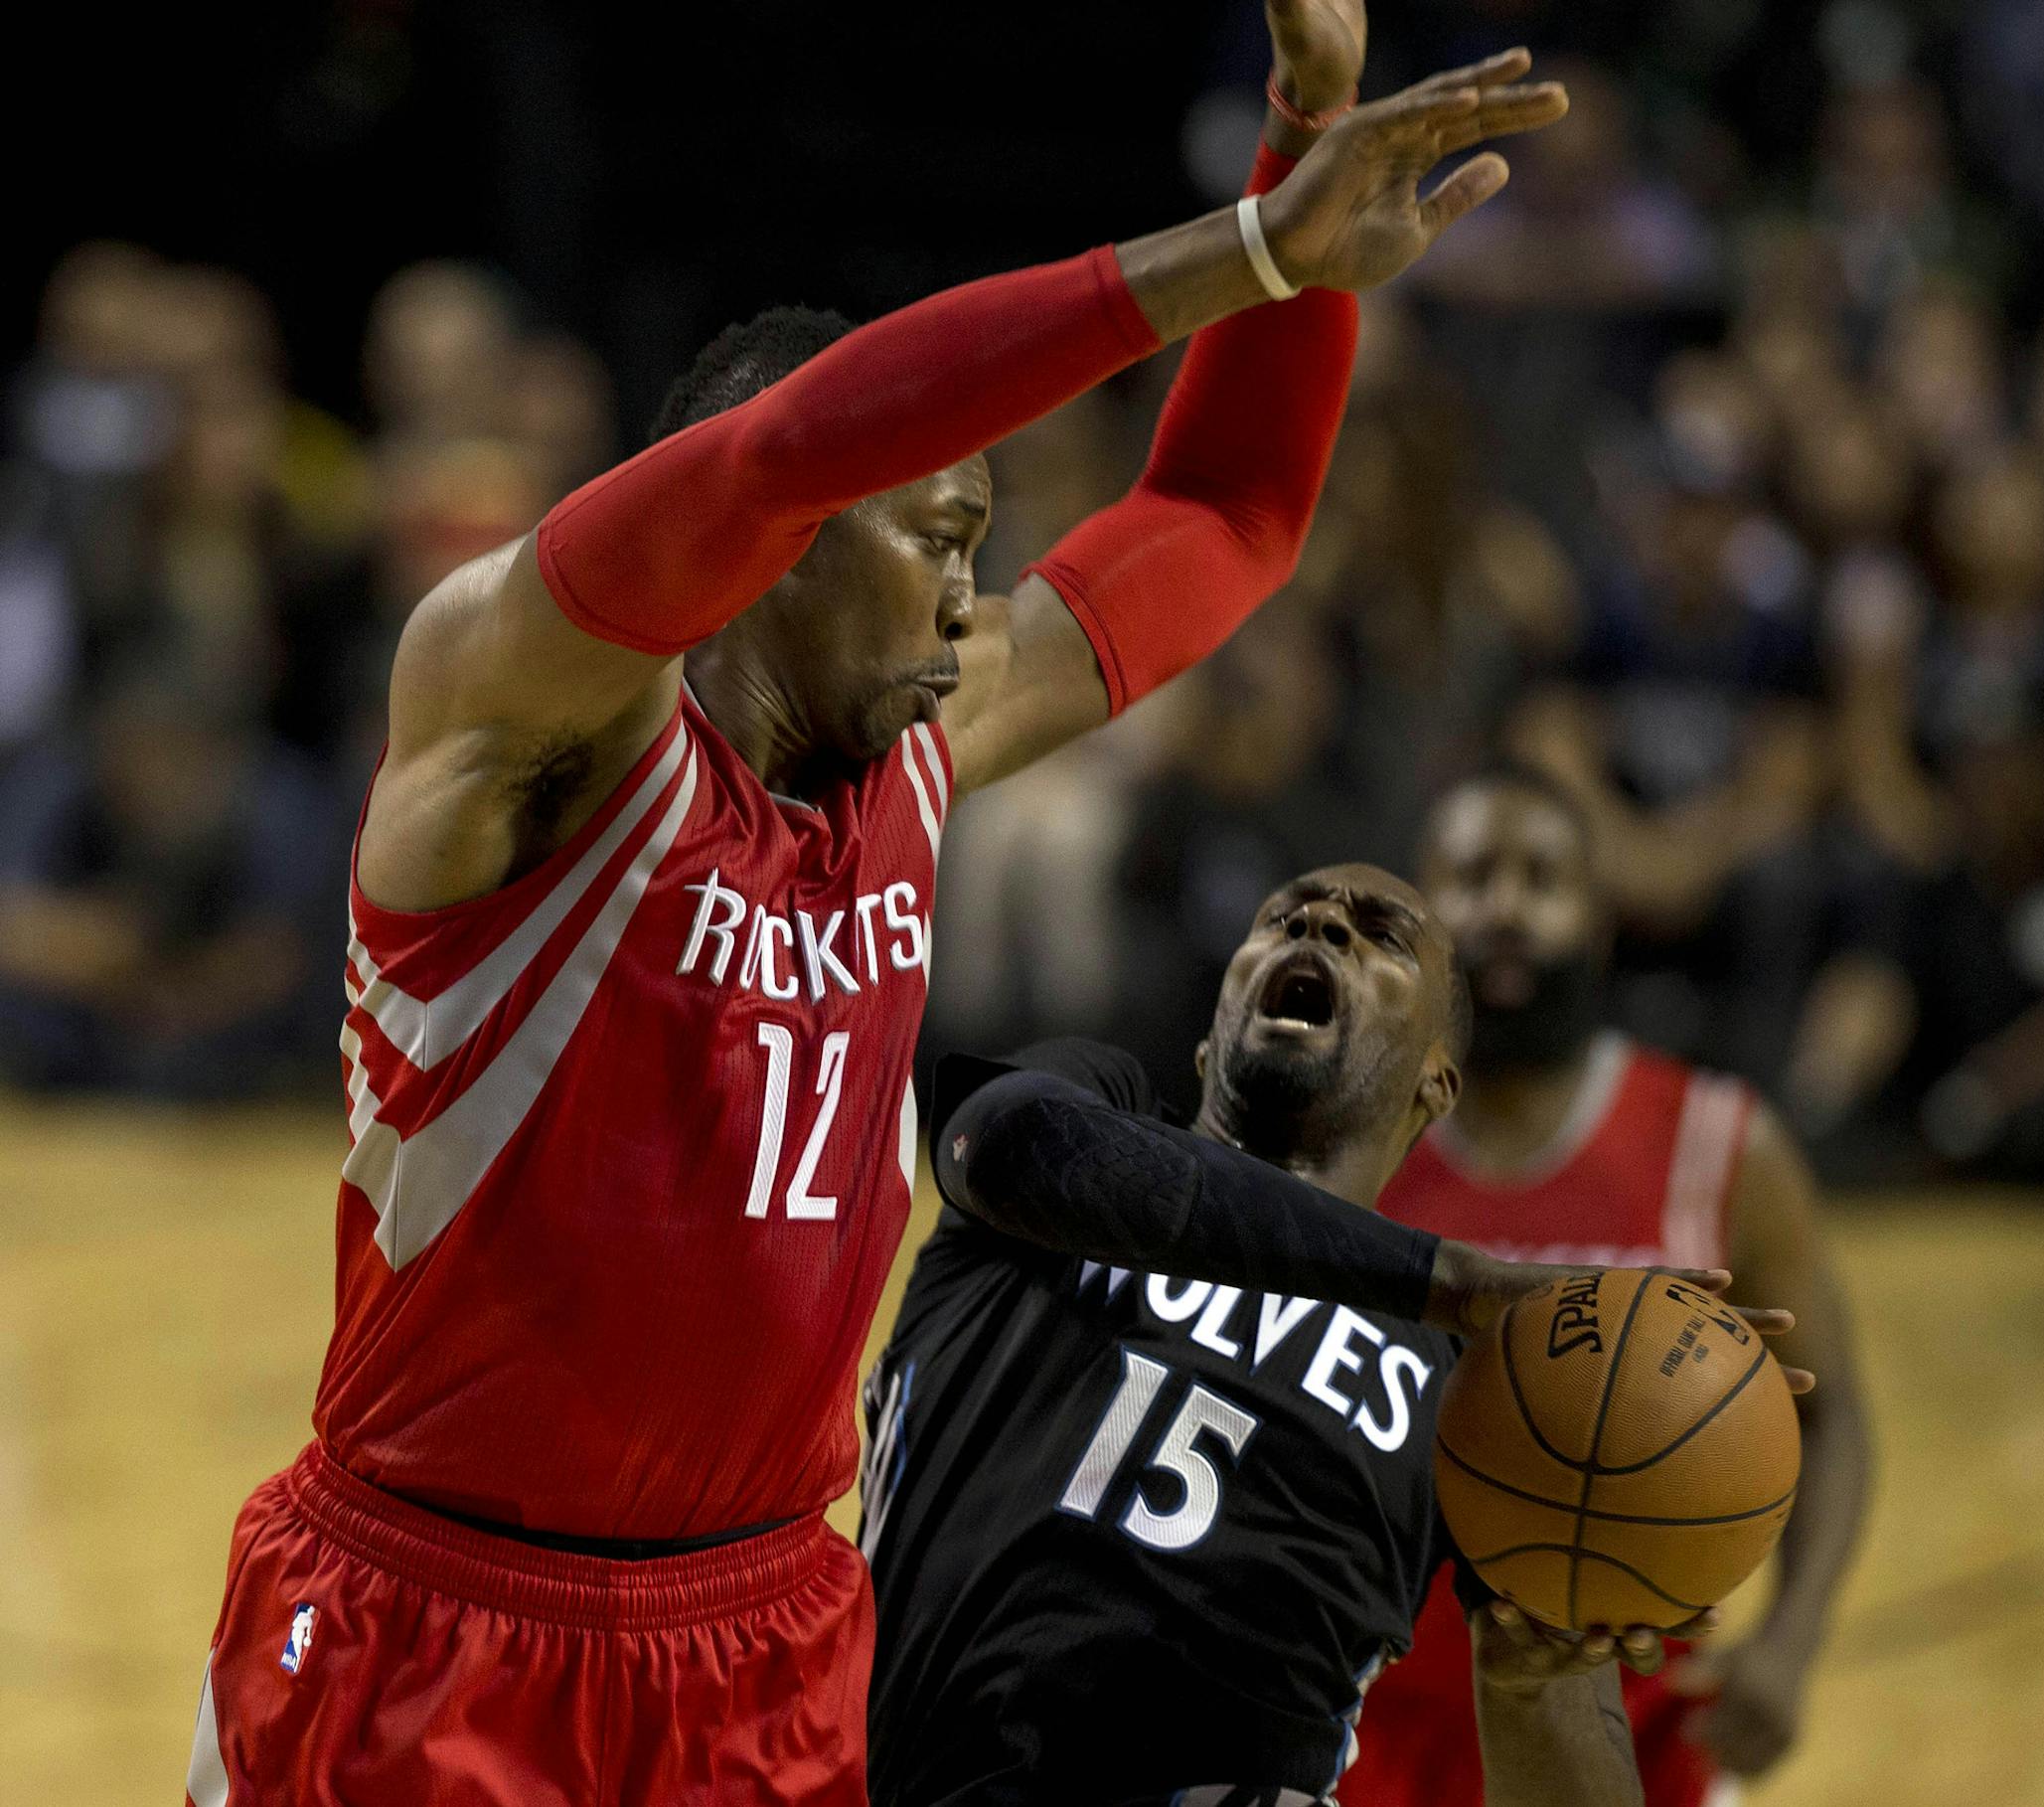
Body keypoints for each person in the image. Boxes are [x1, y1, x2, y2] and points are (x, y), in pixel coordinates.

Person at [184, 10, 1573, 1802]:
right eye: (932, 532)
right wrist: (1233, 260)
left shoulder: (923, 741)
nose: (966, 594)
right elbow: (790, 451)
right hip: (435, 1622)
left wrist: (1295, 154)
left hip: (760, 1640)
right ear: (782, 551)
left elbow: (1223, 511)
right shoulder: (517, 710)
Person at [861, 860, 1811, 1805]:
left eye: (1381, 932)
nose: (1320, 925)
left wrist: (1534, 1675)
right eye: (1283, 917)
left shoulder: (1478, 1391)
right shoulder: (1077, 1120)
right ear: (1207, 1045)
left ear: (1437, 1087)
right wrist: (1453, 1278)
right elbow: (1010, 1146)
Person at [1346, 767, 1870, 1807]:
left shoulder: (1722, 1144)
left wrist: (1793, 1642)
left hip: (1630, 1744)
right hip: (1368, 1724)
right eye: (1473, 874)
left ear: (1600, 919)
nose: (1505, 904)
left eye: (1542, 878)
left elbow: (1838, 1414)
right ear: (1423, 925)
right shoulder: (1344, 1145)